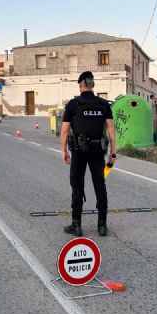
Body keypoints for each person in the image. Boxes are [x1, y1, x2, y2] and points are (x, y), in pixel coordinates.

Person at [60, 71, 116, 236]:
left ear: (80, 85)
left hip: (78, 151)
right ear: (93, 85)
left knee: (77, 185)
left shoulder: (73, 105)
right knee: (100, 184)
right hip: (98, 150)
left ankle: (76, 225)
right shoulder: (103, 104)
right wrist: (113, 151)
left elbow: (64, 131)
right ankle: (102, 226)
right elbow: (111, 129)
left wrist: (64, 151)